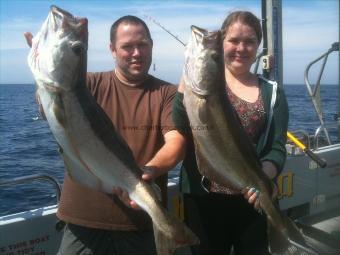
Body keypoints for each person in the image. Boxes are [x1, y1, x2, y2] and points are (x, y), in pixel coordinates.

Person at [25, 15, 185, 255]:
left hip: (139, 222)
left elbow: (177, 142)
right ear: (112, 49)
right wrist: (43, 78)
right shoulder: (86, 84)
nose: (136, 53)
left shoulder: (167, 93)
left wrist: (148, 170)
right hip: (82, 221)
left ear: (152, 46)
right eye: (127, 46)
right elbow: (49, 108)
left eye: (142, 45)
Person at [172, 11, 289, 255]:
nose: (241, 48)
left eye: (249, 42)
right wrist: (186, 86)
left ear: (258, 47)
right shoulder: (200, 87)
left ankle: (281, 231)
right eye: (234, 40)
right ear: (223, 42)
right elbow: (181, 126)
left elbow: (277, 148)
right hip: (204, 198)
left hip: (252, 200)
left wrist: (264, 180)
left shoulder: (273, 92)